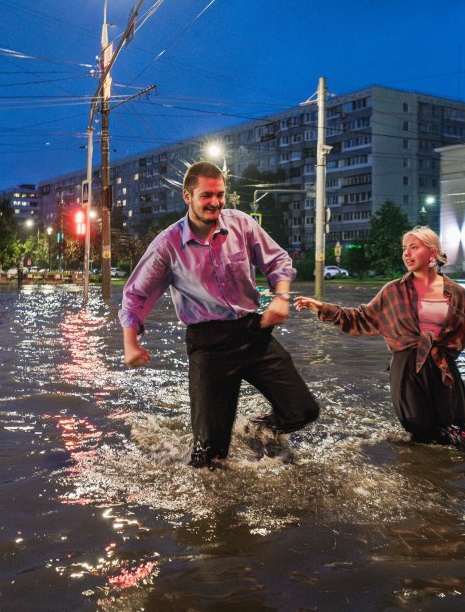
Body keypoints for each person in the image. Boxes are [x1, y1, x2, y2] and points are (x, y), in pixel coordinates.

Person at [120, 161, 319, 469]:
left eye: (220, 194)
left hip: (253, 331)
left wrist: (281, 296)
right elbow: (135, 294)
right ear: (187, 196)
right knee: (208, 455)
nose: (215, 202)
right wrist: (130, 344)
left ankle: (257, 431)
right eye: (206, 195)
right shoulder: (168, 244)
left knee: (303, 410)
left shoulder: (241, 224)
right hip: (208, 344)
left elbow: (278, 260)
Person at [293, 226, 465, 448]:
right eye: (404, 249)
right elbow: (361, 319)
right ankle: (421, 477)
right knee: (421, 436)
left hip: (444, 372)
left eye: (413, 248)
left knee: (460, 436)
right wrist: (323, 309)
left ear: (432, 253)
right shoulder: (393, 291)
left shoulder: (456, 293)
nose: (406, 254)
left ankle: (455, 477)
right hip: (407, 370)